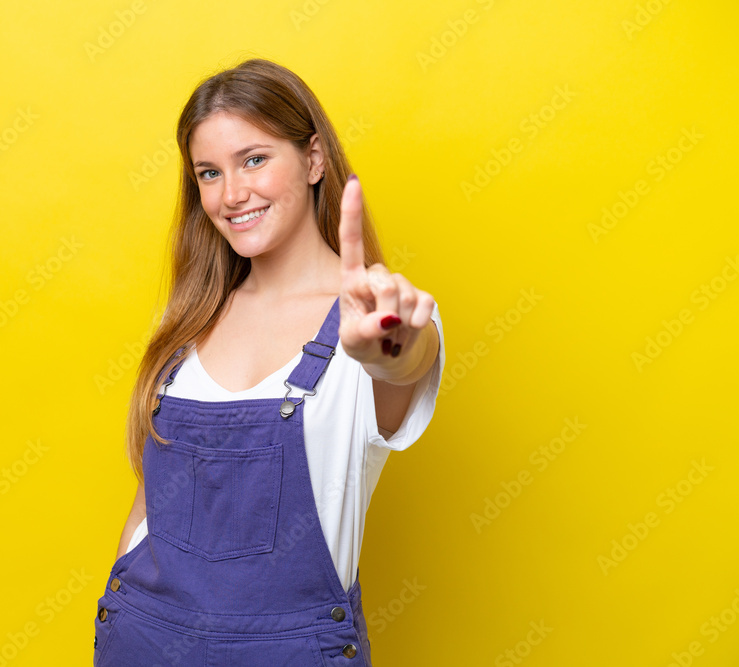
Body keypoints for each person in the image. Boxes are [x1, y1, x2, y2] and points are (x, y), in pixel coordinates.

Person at [94, 57, 445, 666]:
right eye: (209, 172)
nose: (232, 195)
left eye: (254, 159)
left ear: (313, 160)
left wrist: (392, 351)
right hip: (144, 641)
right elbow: (149, 507)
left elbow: (404, 366)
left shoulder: (375, 318)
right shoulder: (190, 323)